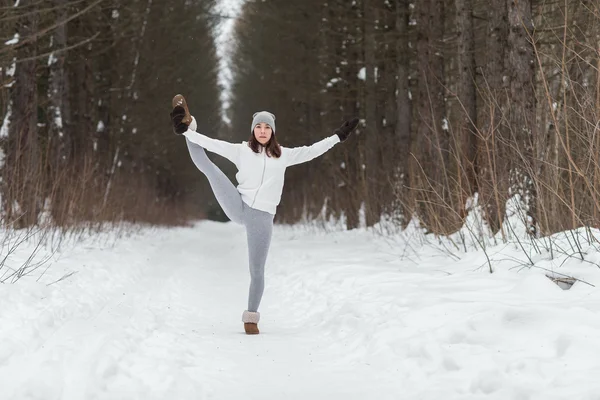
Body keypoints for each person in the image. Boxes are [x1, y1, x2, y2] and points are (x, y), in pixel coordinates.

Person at [170, 94, 359, 335]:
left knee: (257, 270)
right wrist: (187, 132)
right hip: (239, 205)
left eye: (266, 127)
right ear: (253, 130)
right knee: (208, 166)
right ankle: (188, 122)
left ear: (272, 131)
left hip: (262, 217)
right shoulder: (241, 151)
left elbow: (312, 151)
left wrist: (337, 136)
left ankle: (251, 318)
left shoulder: (285, 155)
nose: (262, 130)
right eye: (258, 126)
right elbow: (211, 143)